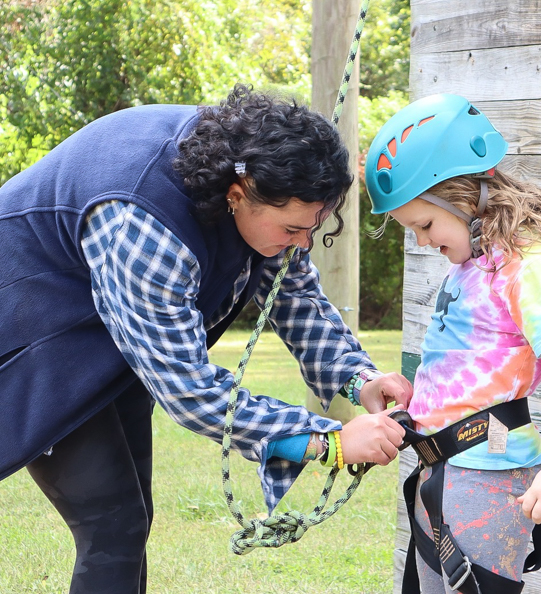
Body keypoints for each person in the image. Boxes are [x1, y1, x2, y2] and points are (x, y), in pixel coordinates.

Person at [0, 83, 411, 593]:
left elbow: (295, 298)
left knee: (130, 519)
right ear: (238, 195)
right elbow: (188, 389)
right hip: (32, 331)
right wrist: (329, 442)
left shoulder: (265, 177)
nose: (302, 243)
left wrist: (357, 379)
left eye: (314, 227)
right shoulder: (142, 222)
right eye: (291, 230)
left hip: (102, 336)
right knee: (112, 522)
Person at [364, 94, 541, 594]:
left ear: (464, 194)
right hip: (443, 469)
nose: (422, 242)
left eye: (425, 225)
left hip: (488, 475)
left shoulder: (531, 264)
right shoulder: (475, 263)